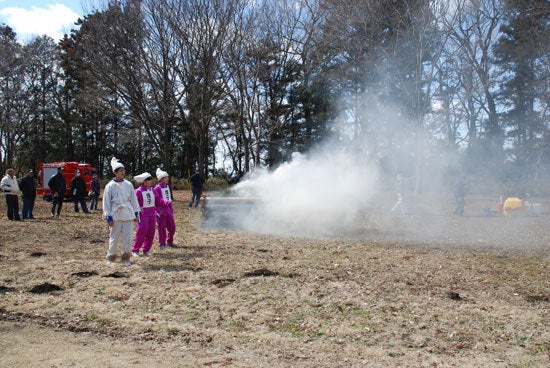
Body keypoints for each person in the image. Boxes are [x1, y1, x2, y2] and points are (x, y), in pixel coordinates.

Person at [102, 157, 140, 266]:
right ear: (115, 172)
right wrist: (108, 216)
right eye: (120, 171)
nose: (122, 173)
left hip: (127, 213)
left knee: (128, 236)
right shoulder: (109, 186)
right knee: (114, 236)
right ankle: (111, 256)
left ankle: (125, 256)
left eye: (123, 171)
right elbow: (106, 202)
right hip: (116, 213)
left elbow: (133, 199)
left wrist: (136, 212)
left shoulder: (128, 184)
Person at [132, 173, 156, 257]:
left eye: (151, 179)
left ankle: (146, 249)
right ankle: (135, 249)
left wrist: (165, 203)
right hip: (143, 214)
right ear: (144, 182)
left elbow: (157, 199)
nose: (150, 181)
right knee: (142, 231)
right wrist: (136, 214)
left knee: (151, 231)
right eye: (149, 180)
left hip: (152, 213)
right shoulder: (138, 191)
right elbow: (135, 204)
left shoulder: (152, 190)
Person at [154, 168, 176, 248]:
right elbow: (156, 201)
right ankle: (162, 244)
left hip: (168, 210)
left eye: (167, 177)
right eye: (165, 177)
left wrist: (171, 209)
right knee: (162, 228)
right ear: (161, 179)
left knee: (172, 227)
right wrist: (158, 210)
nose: (167, 178)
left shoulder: (167, 187)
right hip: (161, 211)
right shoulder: (157, 188)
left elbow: (169, 199)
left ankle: (170, 241)